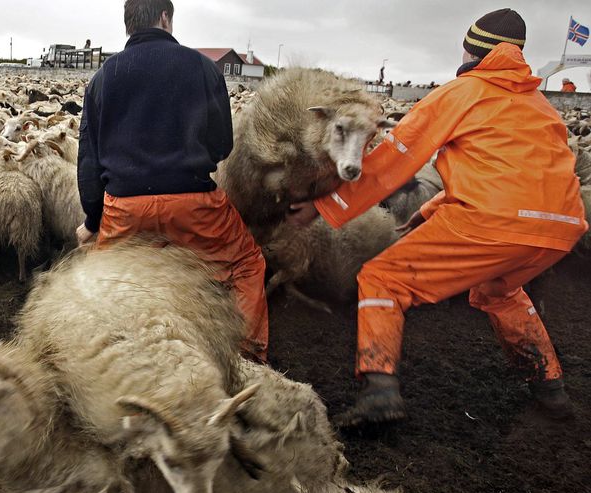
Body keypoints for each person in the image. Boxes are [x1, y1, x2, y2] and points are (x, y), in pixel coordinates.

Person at [288, 8, 587, 425]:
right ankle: (551, 391)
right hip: (560, 226)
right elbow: (508, 175)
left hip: (493, 222)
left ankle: (380, 391)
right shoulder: (540, 105)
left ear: (472, 50)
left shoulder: (462, 91)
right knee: (502, 293)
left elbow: (396, 158)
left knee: (382, 279)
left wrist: (325, 206)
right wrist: (429, 210)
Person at [76, 0, 269, 361]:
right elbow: (222, 145)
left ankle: (114, 360)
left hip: (126, 208)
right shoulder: (203, 68)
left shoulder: (103, 77)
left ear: (128, 25)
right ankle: (246, 361)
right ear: (165, 18)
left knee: (107, 282)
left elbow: (89, 160)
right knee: (247, 264)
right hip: (193, 203)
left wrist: (92, 221)